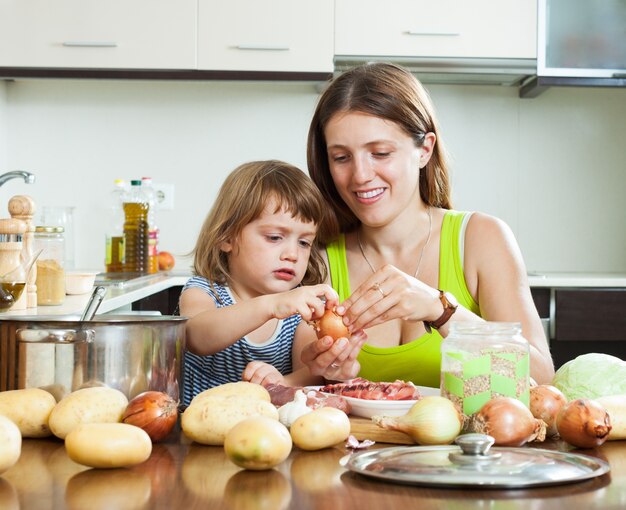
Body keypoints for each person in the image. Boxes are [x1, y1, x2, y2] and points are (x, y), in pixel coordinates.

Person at [301, 62, 555, 386]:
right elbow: (305, 396)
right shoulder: (318, 257)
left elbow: (541, 380)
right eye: (341, 157)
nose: (360, 175)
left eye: (380, 153)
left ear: (424, 149)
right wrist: (319, 373)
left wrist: (441, 309)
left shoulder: (481, 239)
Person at [178, 160, 362, 405]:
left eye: (304, 243)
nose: (293, 254)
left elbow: (310, 371)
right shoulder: (204, 291)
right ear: (227, 238)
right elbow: (196, 336)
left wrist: (285, 383)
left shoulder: (300, 310)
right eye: (275, 237)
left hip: (271, 435)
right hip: (200, 433)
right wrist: (271, 306)